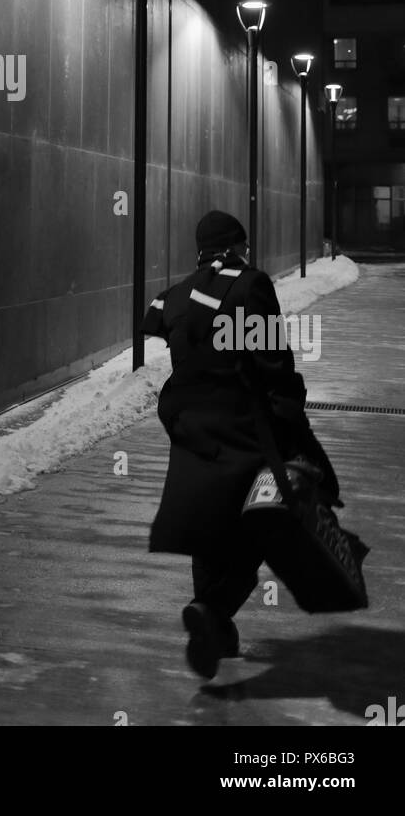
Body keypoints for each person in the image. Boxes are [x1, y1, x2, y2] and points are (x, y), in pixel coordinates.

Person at [141, 209, 339, 680]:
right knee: (262, 523)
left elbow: (163, 328)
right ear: (235, 246)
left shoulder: (177, 293)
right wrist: (293, 418)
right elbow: (273, 362)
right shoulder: (251, 286)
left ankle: (218, 632)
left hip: (192, 430)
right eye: (244, 246)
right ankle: (212, 609)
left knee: (209, 527)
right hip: (245, 427)